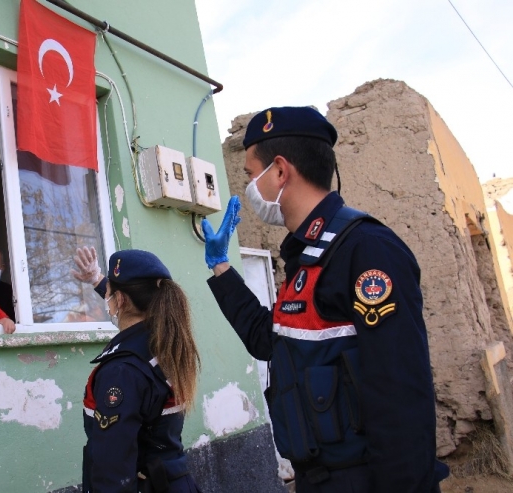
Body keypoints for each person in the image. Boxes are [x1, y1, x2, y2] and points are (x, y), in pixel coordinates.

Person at [201, 107, 449, 492]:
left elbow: (401, 397)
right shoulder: (306, 257)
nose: (248, 187)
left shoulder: (364, 250)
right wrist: (221, 267)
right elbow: (268, 340)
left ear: (280, 171)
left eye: (251, 175)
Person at [72, 247, 202, 493]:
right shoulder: (164, 340)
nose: (107, 298)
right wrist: (97, 280)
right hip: (171, 479)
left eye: (109, 293)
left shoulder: (122, 371)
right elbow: (130, 307)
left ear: (120, 300)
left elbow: (112, 467)